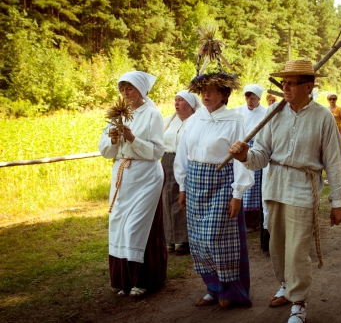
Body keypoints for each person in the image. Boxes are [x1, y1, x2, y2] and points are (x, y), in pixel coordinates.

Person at [229, 59, 341, 323]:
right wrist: (245, 154)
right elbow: (261, 155)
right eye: (283, 82)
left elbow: (334, 160)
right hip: (274, 187)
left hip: (303, 189)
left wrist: (337, 201)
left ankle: (299, 302)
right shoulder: (273, 114)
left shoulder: (323, 117)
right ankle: (285, 284)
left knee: (297, 249)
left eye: (291, 83)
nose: (285, 87)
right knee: (278, 245)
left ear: (308, 87)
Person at [174, 72, 255, 308]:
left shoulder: (234, 120)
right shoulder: (194, 119)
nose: (206, 95)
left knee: (218, 238)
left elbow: (240, 158)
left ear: (224, 94)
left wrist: (237, 194)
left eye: (212, 90)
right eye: (203, 91)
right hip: (195, 183)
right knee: (199, 240)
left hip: (221, 184)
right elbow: (183, 154)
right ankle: (213, 288)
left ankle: (232, 291)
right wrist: (182, 187)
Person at [98, 71, 167, 297]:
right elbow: (105, 152)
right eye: (122, 89)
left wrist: (133, 139)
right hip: (123, 175)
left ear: (141, 90)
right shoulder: (116, 113)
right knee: (119, 224)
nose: (126, 93)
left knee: (137, 225)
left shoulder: (152, 114)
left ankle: (145, 279)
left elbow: (157, 150)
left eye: (130, 88)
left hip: (146, 175)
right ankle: (124, 280)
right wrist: (113, 138)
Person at [162, 90, 201, 255]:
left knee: (182, 198)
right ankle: (169, 238)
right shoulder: (169, 121)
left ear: (191, 105)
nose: (176, 103)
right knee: (167, 199)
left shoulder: (197, 121)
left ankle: (184, 239)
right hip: (167, 161)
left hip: (186, 160)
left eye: (181, 100)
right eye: (175, 100)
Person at [236, 84, 267, 232]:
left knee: (255, 185)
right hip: (242, 148)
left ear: (259, 98)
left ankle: (255, 220)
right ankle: (243, 218)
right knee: (241, 179)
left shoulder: (265, 112)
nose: (250, 101)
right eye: (247, 98)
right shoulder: (239, 110)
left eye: (253, 98)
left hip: (257, 148)